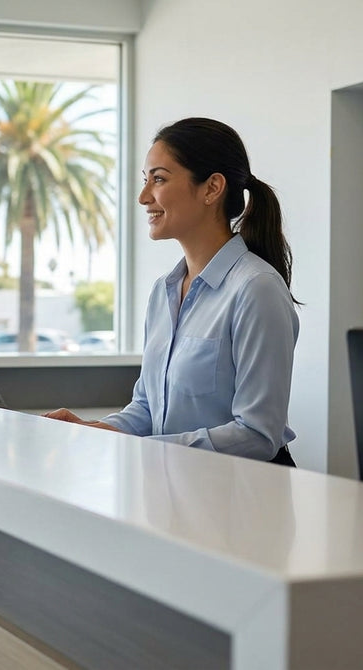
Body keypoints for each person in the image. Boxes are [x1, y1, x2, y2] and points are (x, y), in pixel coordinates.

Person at [46, 117, 299, 465]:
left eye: (159, 179)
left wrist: (148, 449)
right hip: (175, 488)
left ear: (212, 188)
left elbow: (258, 435)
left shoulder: (256, 289)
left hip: (240, 499)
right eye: (145, 180)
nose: (143, 196)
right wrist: (88, 430)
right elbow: (147, 408)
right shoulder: (163, 292)